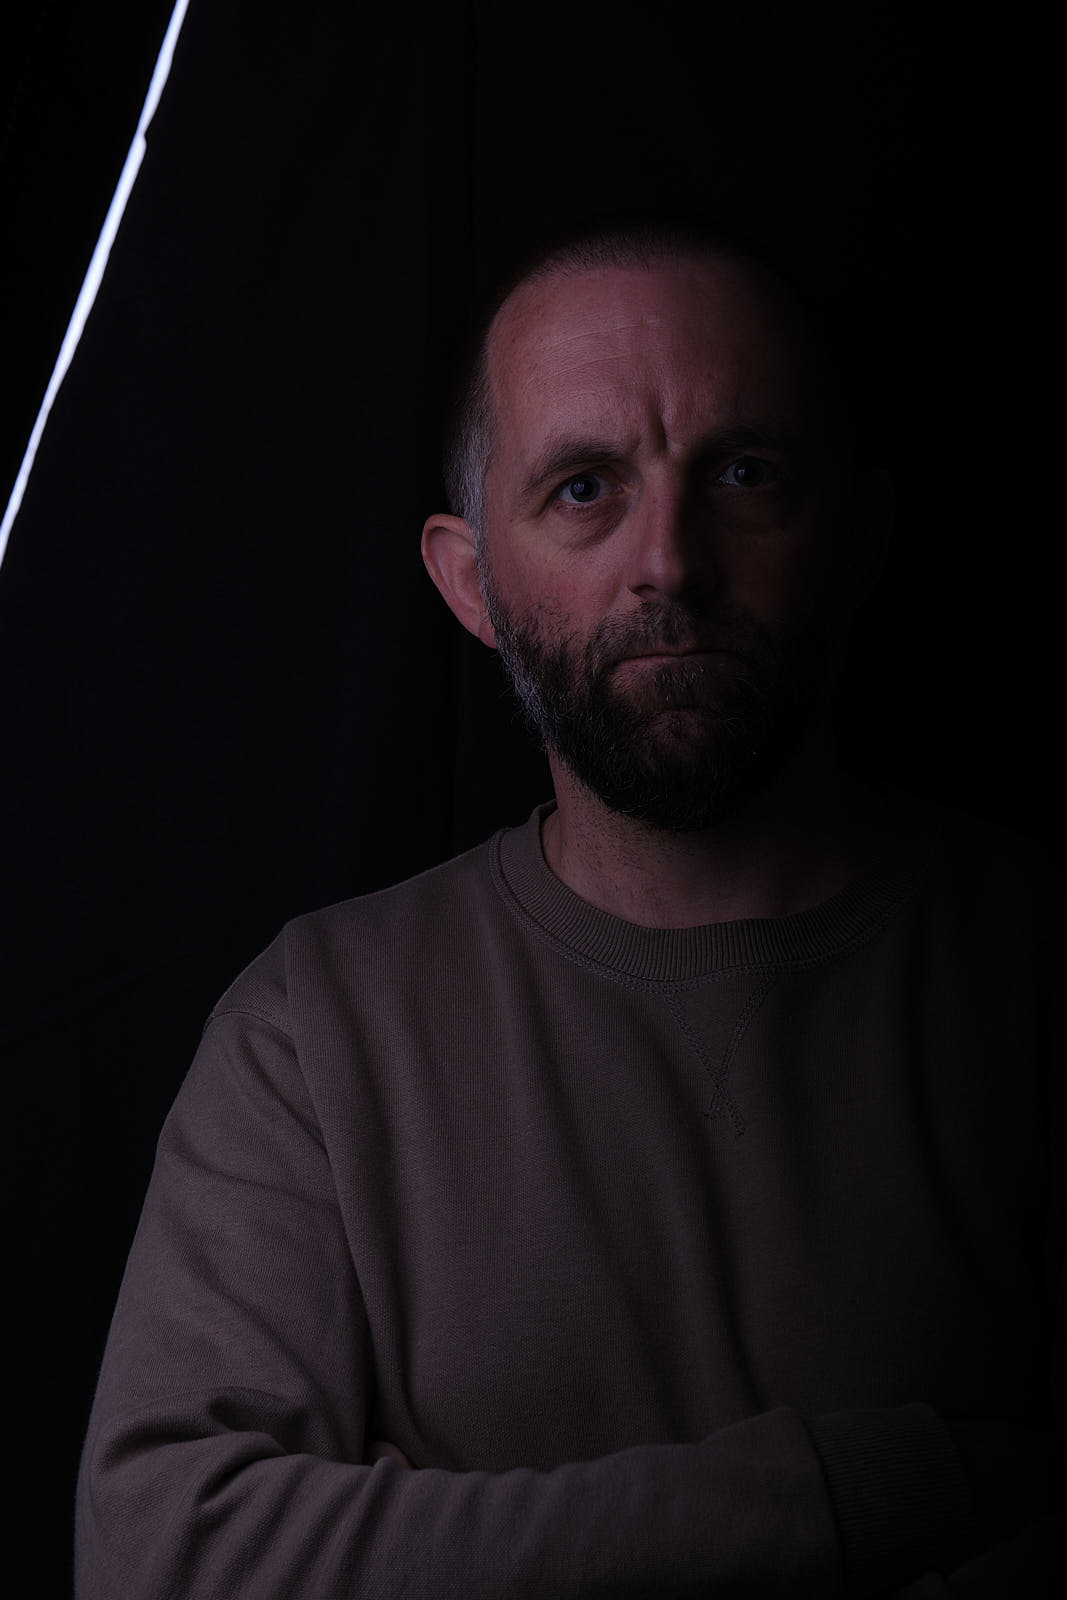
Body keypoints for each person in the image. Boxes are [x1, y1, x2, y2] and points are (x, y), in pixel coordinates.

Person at [75, 221, 1060, 1597]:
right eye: (585, 487)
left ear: (857, 536)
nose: (671, 563)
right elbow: (163, 1558)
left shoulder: (1032, 974)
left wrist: (444, 1540)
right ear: (470, 581)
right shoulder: (312, 1034)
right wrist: (863, 1494)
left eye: (745, 473)